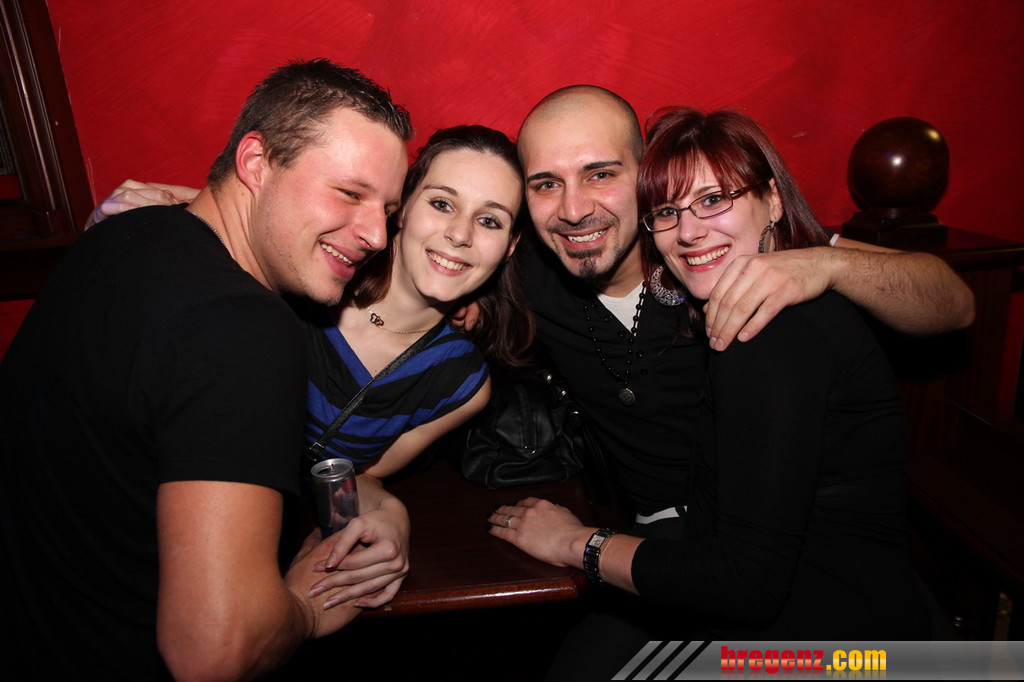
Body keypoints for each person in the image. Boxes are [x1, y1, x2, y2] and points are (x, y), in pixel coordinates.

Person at [0, 59, 414, 679]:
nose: (377, 235)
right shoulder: (241, 327)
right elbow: (215, 651)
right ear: (255, 162)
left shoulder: (119, 232)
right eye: (350, 193)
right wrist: (305, 607)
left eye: (388, 209)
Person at [489, 105, 931, 664]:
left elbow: (953, 301)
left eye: (600, 173)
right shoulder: (531, 272)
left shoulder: (771, 318)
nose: (690, 230)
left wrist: (830, 263)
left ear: (772, 201)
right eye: (670, 210)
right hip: (725, 560)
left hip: (836, 647)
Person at [300, 124, 532, 479]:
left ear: (510, 246)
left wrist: (380, 502)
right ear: (402, 205)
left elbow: (364, 479)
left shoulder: (462, 385)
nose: (460, 234)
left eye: (489, 221)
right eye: (442, 204)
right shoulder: (305, 283)